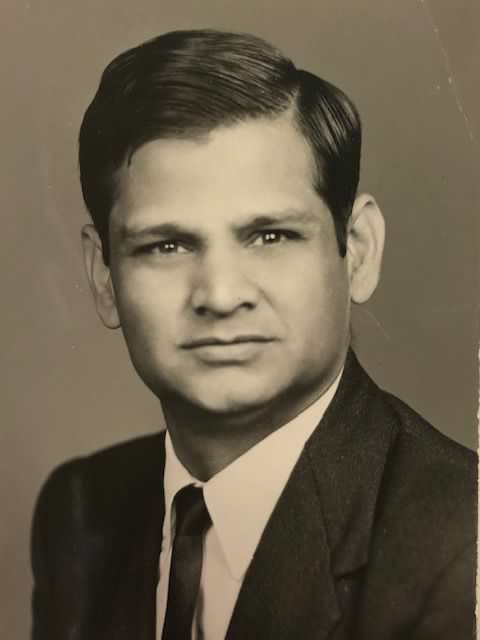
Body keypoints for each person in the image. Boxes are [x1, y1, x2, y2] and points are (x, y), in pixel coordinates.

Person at [31, 29, 476, 640]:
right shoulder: (82, 512)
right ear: (103, 276)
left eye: (271, 236)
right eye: (167, 245)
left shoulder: (460, 545)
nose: (219, 295)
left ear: (358, 251)